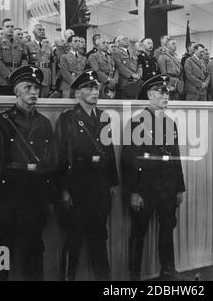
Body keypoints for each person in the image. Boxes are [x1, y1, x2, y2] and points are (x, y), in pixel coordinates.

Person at [0, 66, 57, 281]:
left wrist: (48, 199)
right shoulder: (0, 122)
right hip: (7, 200)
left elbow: (51, 164)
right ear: (16, 92)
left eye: (36, 88)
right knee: (2, 254)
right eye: (28, 87)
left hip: (35, 200)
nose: (34, 92)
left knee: (33, 253)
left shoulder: (44, 123)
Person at [55, 70, 119, 281]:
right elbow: (61, 157)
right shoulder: (68, 118)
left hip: (100, 187)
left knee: (99, 238)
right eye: (89, 88)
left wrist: (112, 183)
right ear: (78, 92)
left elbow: (109, 153)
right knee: (73, 241)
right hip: (77, 187)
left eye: (96, 88)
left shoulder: (103, 116)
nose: (94, 91)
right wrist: (64, 190)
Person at [121, 74, 186, 281]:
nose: (165, 95)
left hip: (167, 187)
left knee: (167, 229)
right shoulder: (137, 122)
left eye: (167, 92)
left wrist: (179, 187)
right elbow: (129, 160)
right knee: (138, 232)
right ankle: (134, 275)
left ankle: (168, 270)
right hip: (145, 187)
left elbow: (175, 157)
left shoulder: (170, 122)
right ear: (150, 94)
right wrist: (134, 192)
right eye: (161, 91)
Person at [0, 18, 28, 95]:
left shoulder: (21, 42)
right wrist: (9, 75)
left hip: (17, 78)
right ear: (2, 28)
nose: (10, 29)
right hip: (2, 80)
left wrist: (19, 73)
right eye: (7, 27)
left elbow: (24, 59)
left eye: (12, 26)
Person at [25, 24, 57, 98]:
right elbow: (25, 63)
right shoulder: (28, 45)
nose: (42, 31)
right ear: (33, 32)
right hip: (34, 75)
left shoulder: (49, 47)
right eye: (39, 30)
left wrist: (53, 82)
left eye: (43, 30)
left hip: (46, 76)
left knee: (45, 100)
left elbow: (53, 65)